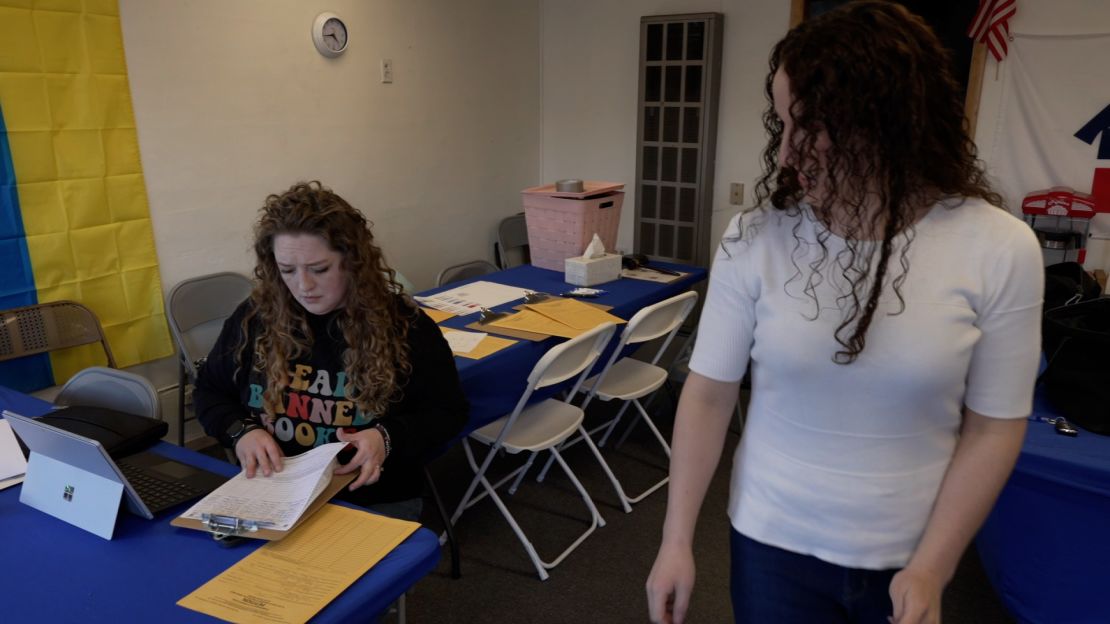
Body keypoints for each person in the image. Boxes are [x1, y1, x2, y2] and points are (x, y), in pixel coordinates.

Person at [645, 3, 1043, 623]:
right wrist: (675, 542)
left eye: (809, 127)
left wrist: (933, 567)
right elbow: (707, 394)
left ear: (884, 125)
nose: (786, 155)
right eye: (783, 124)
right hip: (770, 543)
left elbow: (995, 425)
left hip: (909, 550)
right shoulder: (755, 237)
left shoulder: (999, 247)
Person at [195, 181, 468, 521]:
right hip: (276, 493)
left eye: (319, 269)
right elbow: (209, 391)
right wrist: (240, 432)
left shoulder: (406, 327)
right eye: (287, 271)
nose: (303, 287)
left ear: (352, 262)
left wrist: (385, 437)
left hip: (372, 497)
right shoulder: (254, 318)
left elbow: (447, 412)